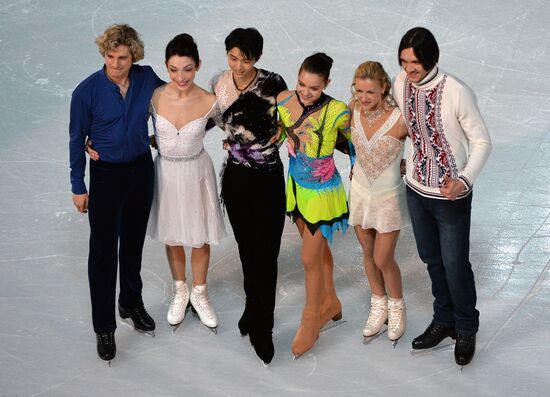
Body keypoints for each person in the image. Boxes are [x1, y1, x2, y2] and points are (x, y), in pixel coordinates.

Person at [88, 34, 227, 332]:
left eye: (188, 69)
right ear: (166, 67)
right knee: (173, 235)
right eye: (174, 69)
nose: (181, 76)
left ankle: (200, 293)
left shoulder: (210, 101)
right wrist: (95, 138)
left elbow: (227, 126)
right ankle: (180, 289)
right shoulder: (153, 95)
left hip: (196, 173)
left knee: (200, 237)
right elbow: (126, 120)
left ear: (198, 66)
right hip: (165, 173)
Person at [393, 27, 492, 366]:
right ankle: (445, 319)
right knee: (431, 259)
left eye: (415, 62)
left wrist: (464, 180)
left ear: (431, 58)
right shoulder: (399, 82)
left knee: (455, 264)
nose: (409, 69)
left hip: (451, 196)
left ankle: (466, 327)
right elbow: (408, 125)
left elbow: (481, 142)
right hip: (416, 189)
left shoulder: (456, 92)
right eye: (404, 62)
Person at [69, 24, 163, 362]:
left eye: (122, 57)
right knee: (103, 253)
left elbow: (174, 104)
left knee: (134, 244)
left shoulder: (147, 78)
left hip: (141, 170)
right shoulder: (86, 92)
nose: (115, 63)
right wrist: (78, 185)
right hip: (106, 175)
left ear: (133, 55)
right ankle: (104, 326)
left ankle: (130, 302)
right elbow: (76, 139)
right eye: (110, 56)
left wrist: (165, 138)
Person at [211, 27, 287, 365]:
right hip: (237, 179)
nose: (239, 65)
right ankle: (251, 306)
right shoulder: (220, 83)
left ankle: (263, 328)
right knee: (246, 249)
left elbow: (291, 120)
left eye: (247, 59)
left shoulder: (273, 84)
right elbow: (208, 119)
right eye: (233, 57)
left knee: (266, 253)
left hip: (268, 177)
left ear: (257, 58)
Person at [277, 52, 352, 358]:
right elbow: (277, 133)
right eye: (302, 84)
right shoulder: (284, 101)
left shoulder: (337, 112)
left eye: (314, 88)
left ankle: (311, 318)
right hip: (296, 187)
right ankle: (331, 301)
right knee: (318, 252)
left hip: (323, 194)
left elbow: (356, 146)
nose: (306, 93)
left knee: (309, 258)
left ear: (327, 84)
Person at [348, 61, 408, 344]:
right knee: (368, 252)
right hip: (359, 192)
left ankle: (397, 306)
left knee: (384, 257)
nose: (364, 97)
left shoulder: (400, 118)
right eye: (359, 90)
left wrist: (409, 165)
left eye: (370, 91)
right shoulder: (353, 109)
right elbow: (341, 140)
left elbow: (424, 146)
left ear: (384, 87)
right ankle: (378, 303)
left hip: (388, 198)